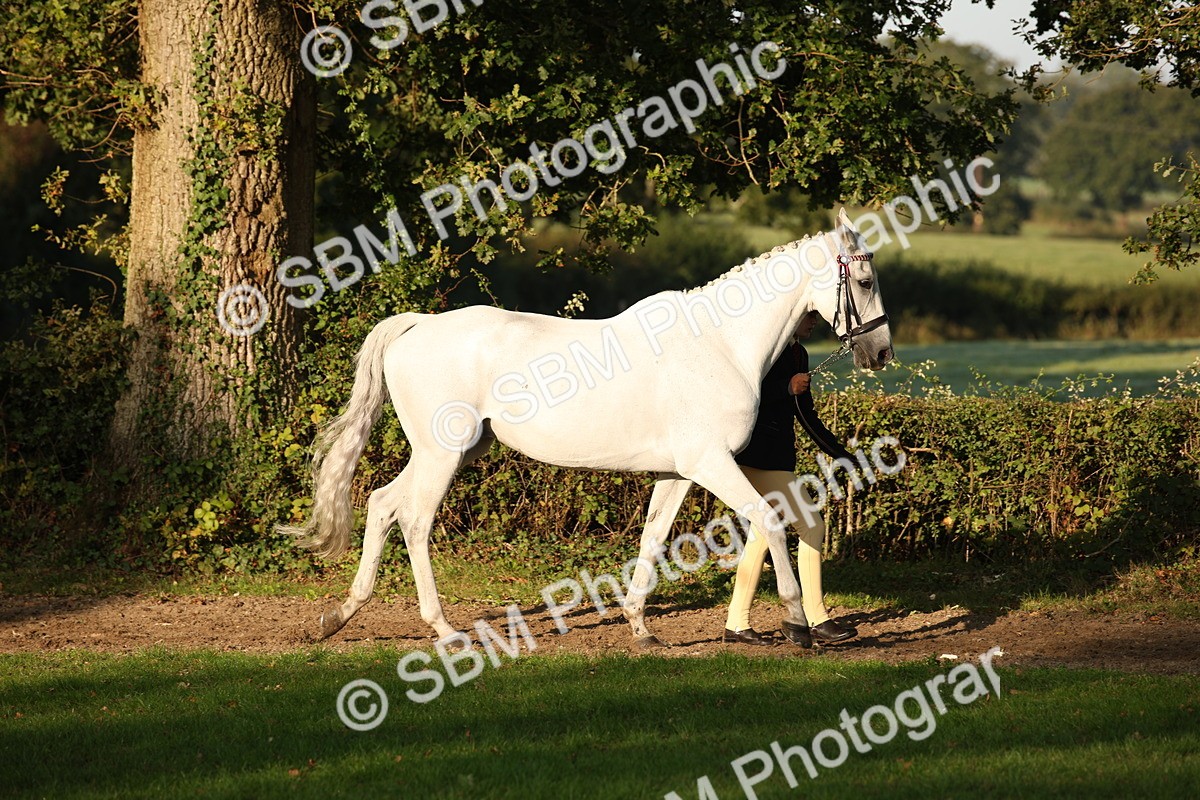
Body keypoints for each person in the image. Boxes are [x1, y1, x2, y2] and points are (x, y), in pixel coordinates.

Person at [722, 310, 858, 648]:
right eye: (810, 316)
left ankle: (736, 623)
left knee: (761, 537)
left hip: (778, 461)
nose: (815, 322)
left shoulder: (800, 353)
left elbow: (805, 412)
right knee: (811, 525)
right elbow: (745, 396)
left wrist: (838, 452)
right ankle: (817, 619)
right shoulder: (768, 348)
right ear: (793, 315)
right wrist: (786, 387)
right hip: (755, 458)